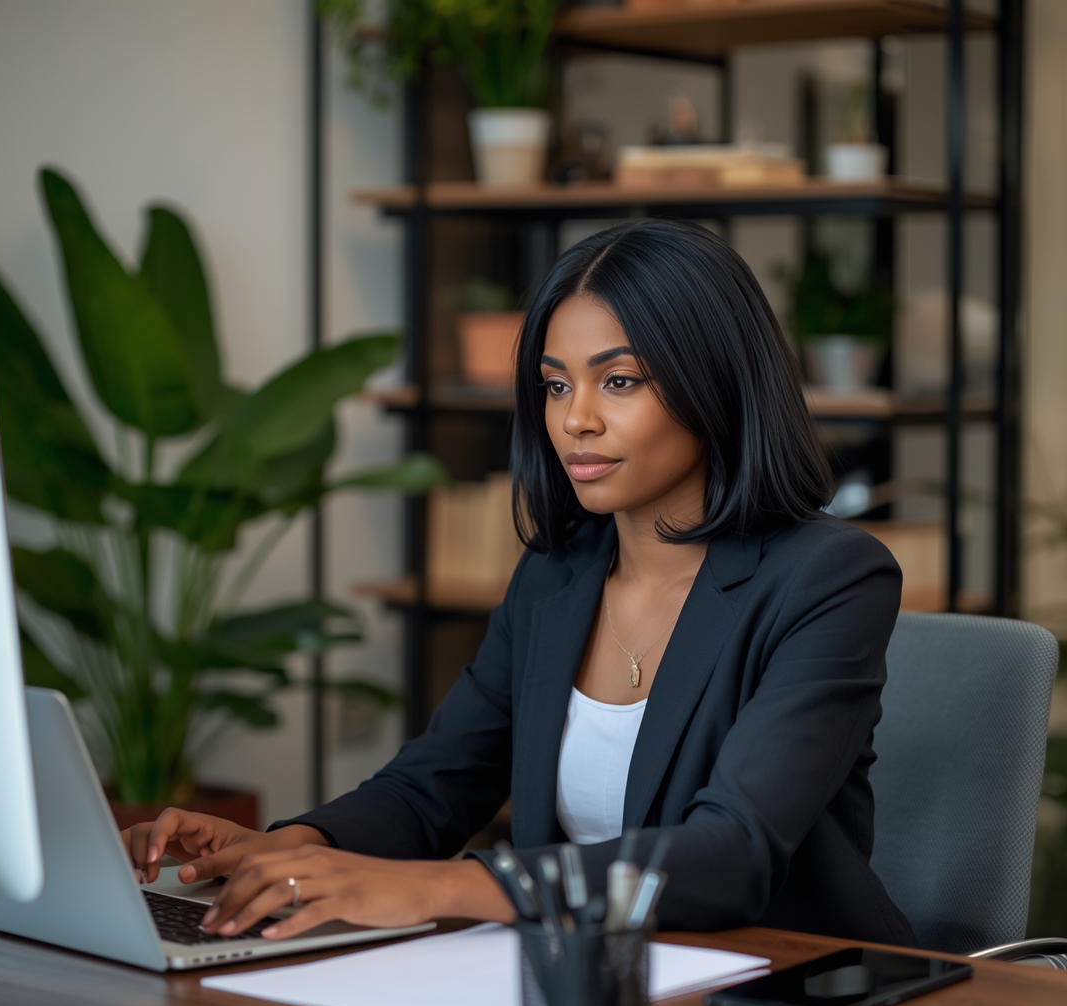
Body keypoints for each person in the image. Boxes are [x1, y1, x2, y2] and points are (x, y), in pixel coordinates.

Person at [125, 219, 917, 949]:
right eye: (555, 384)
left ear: (717, 385)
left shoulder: (828, 578)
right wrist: (287, 849)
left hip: (783, 988)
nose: (575, 419)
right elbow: (434, 787)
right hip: (588, 977)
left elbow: (731, 854)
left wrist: (438, 887)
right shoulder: (555, 576)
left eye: (620, 381)